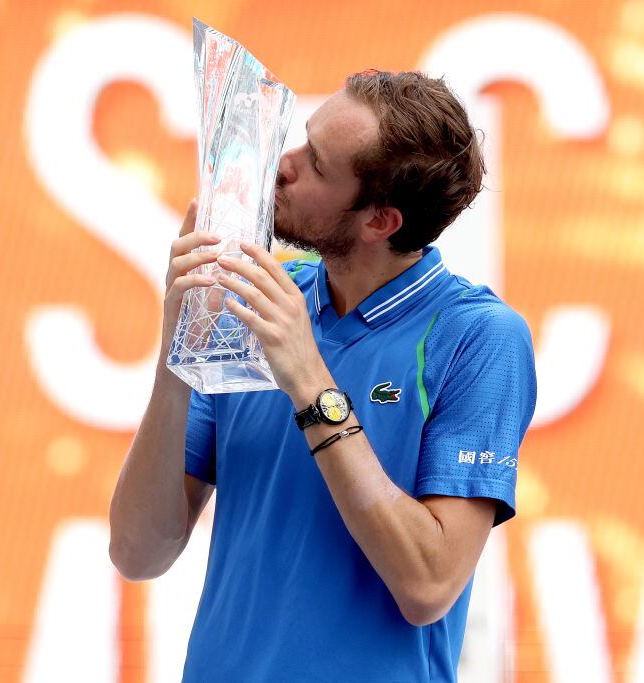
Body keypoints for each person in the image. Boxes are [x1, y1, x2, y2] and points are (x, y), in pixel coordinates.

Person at [109, 69, 537, 682]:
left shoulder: (478, 337)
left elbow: (429, 583)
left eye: (317, 163)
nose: (283, 164)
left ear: (379, 222)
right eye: (300, 140)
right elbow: (136, 551)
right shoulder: (261, 299)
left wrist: (310, 381)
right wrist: (179, 346)